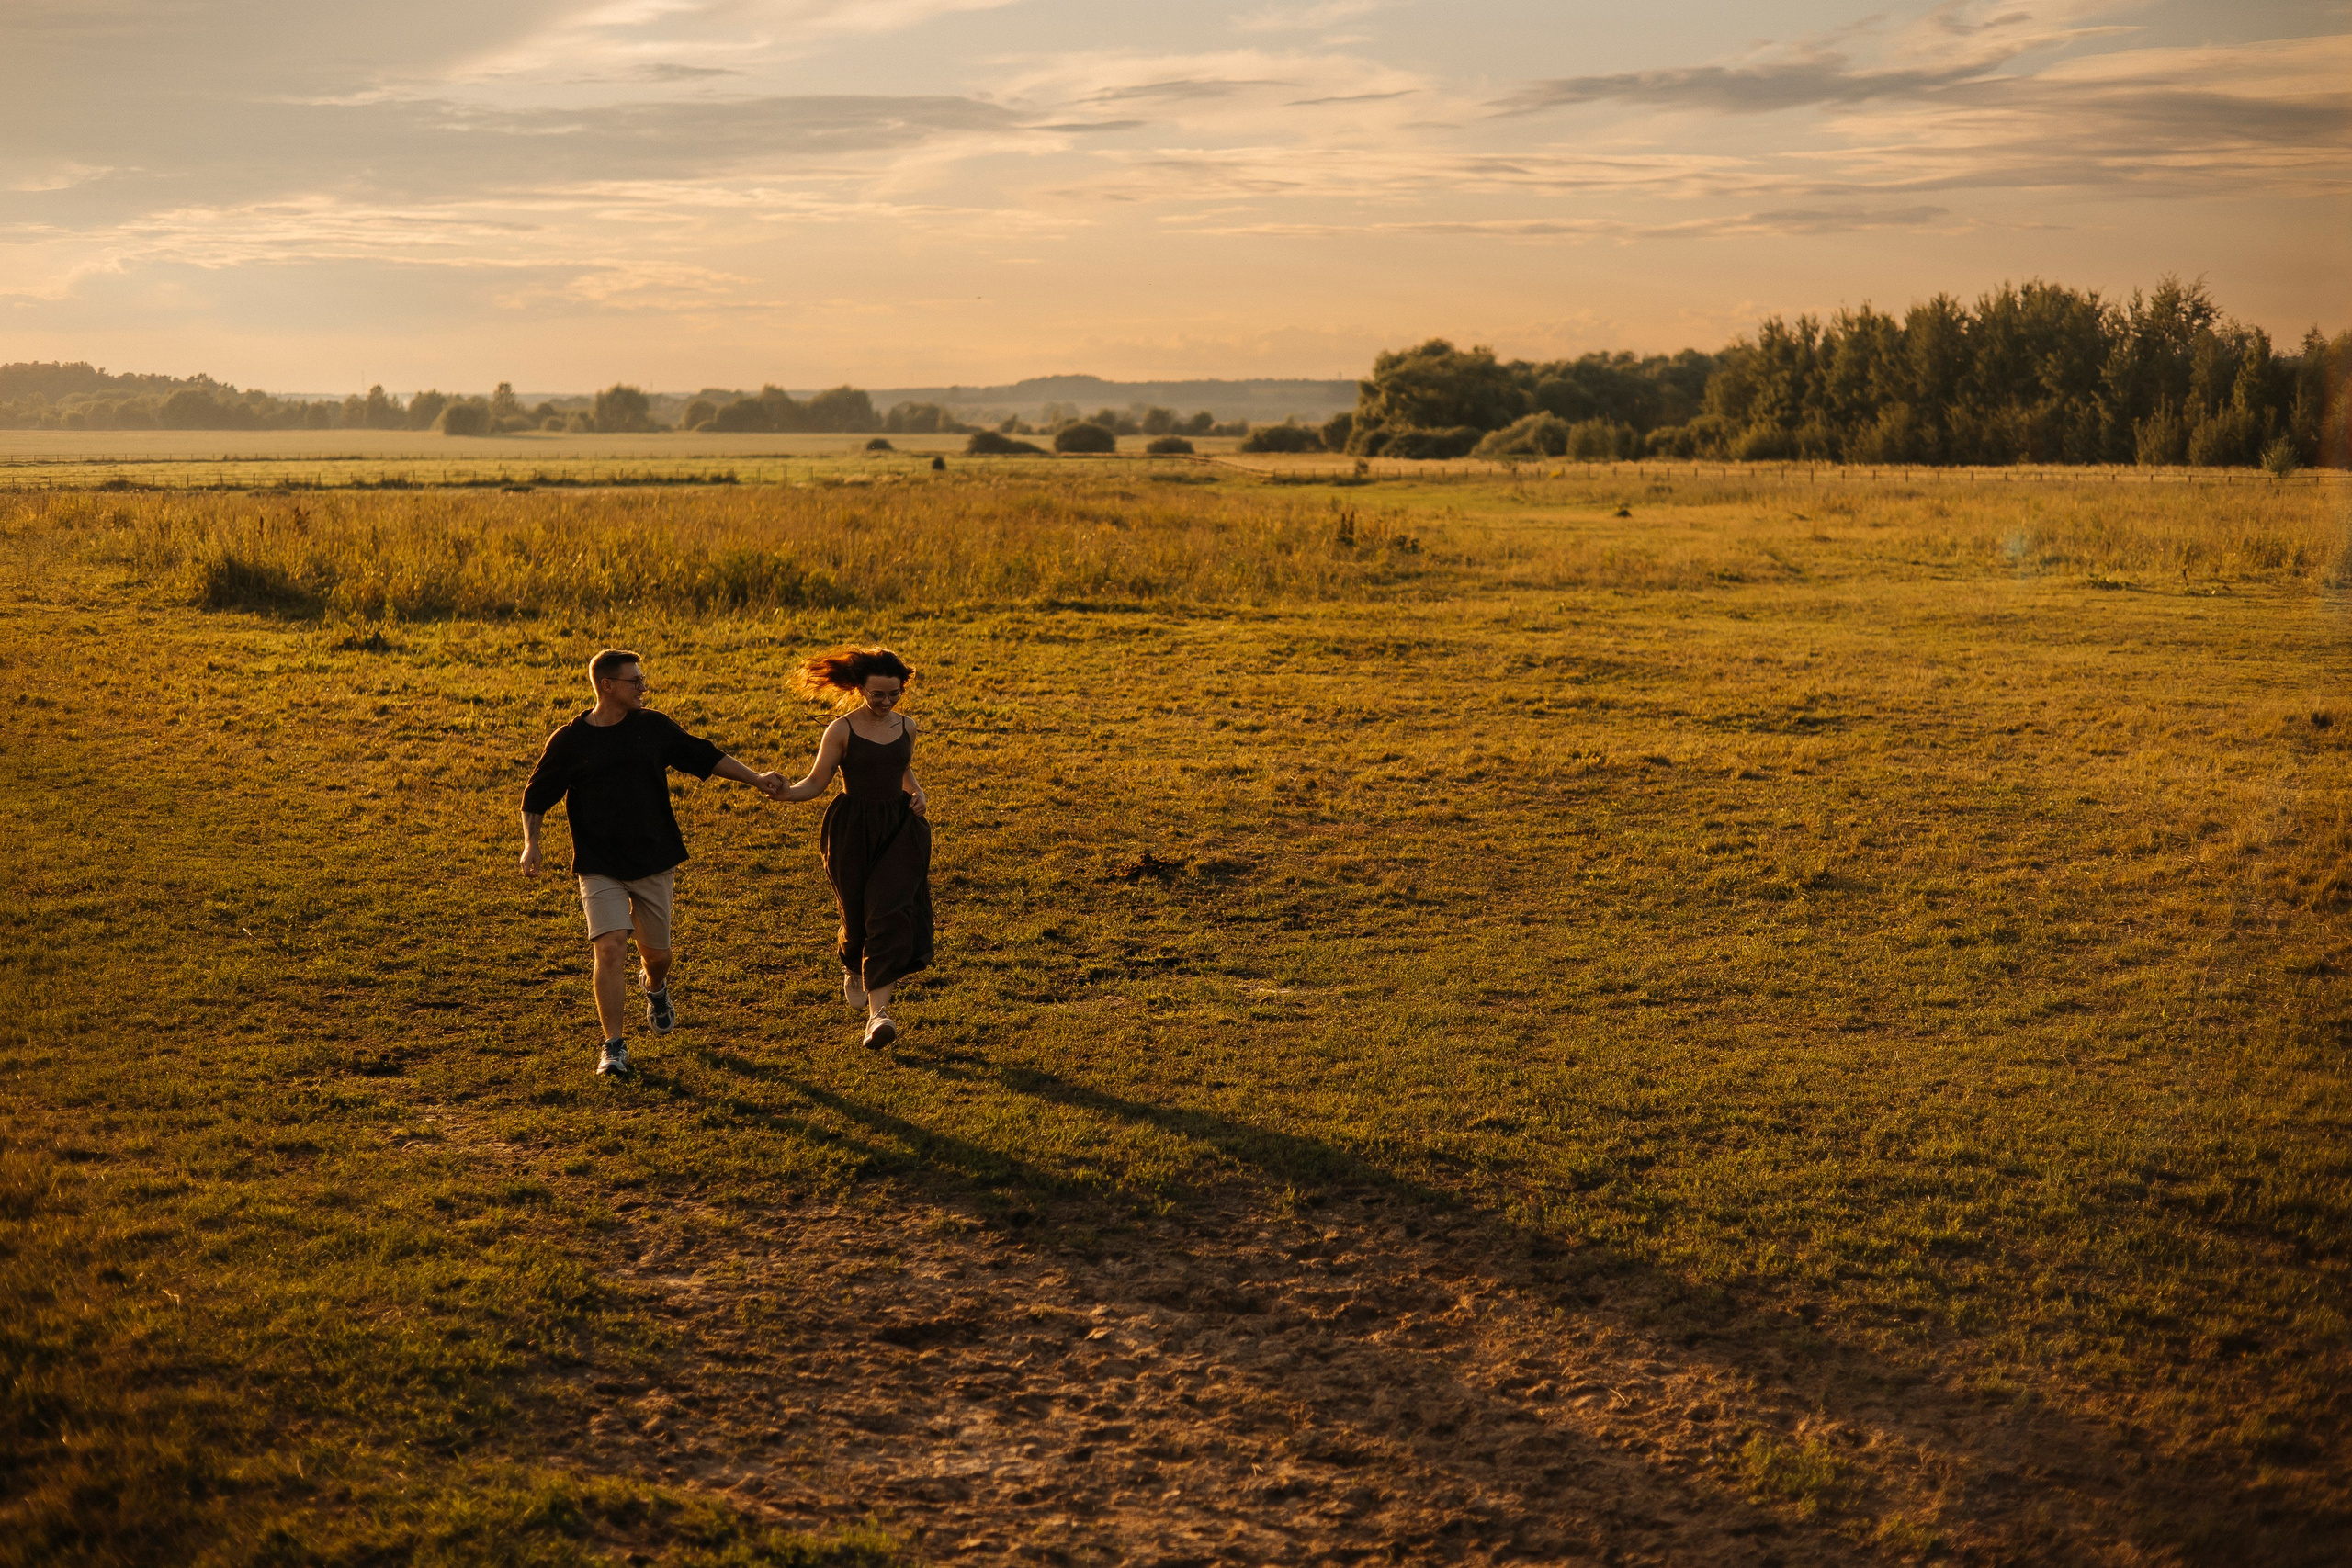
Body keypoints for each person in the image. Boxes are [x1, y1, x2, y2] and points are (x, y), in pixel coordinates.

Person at [519, 649, 783, 1077]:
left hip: (654, 858)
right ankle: (613, 1048)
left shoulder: (653, 727)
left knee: (656, 955)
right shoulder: (570, 741)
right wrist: (532, 844)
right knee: (609, 947)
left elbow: (705, 755)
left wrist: (756, 779)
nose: (643, 686)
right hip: (598, 863)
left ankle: (655, 987)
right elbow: (535, 797)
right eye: (634, 681)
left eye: (642, 680)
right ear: (607, 685)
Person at [775, 646, 933, 1048]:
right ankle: (852, 963)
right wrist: (784, 793)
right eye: (877, 694)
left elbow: (902, 769)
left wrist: (917, 794)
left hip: (900, 829)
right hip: (850, 830)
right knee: (858, 915)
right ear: (859, 687)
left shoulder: (907, 726)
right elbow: (815, 783)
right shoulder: (841, 730)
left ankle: (878, 1016)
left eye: (894, 694)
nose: (886, 702)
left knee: (889, 913)